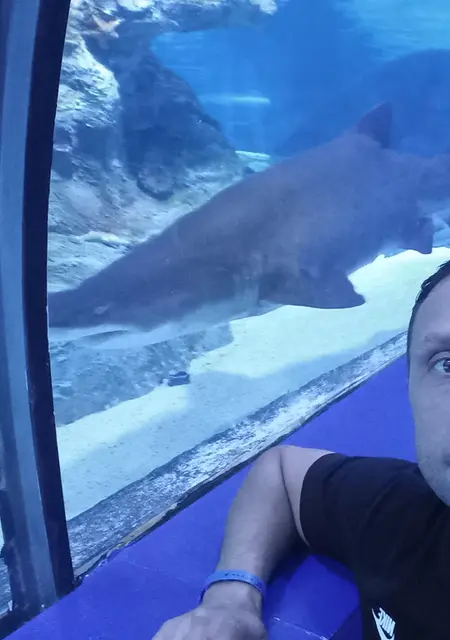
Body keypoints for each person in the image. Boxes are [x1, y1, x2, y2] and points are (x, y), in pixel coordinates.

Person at [153, 259, 450, 640]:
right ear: (408, 389)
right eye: (447, 365)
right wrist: (230, 598)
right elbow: (281, 473)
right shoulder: (403, 520)